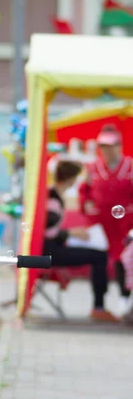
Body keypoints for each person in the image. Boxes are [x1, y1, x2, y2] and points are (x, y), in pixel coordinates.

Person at [44, 160, 118, 322]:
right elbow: (45, 230)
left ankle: (99, 306)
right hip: (49, 251)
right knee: (99, 256)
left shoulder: (54, 195)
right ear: (71, 178)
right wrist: (71, 233)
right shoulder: (52, 198)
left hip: (53, 248)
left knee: (99, 254)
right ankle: (99, 307)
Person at [79, 124, 133, 313]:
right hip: (100, 224)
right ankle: (99, 304)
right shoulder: (92, 168)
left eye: (111, 145)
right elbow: (84, 191)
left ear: (119, 145)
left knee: (123, 259)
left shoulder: (130, 166)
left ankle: (124, 298)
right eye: (103, 146)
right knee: (99, 259)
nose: (107, 150)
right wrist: (85, 203)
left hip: (124, 224)